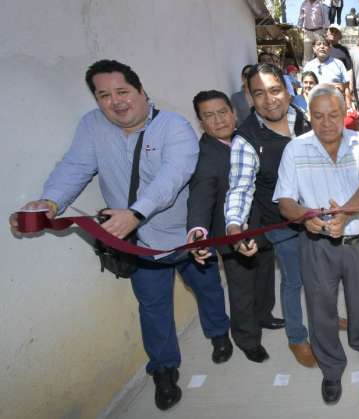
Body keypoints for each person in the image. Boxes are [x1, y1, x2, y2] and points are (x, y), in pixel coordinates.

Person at [9, 60, 231, 411]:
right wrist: (50, 201)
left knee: (206, 287)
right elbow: (75, 166)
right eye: (104, 95)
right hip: (137, 244)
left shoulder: (174, 127)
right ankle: (164, 370)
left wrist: (136, 212)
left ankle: (219, 333)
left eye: (123, 92)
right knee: (153, 306)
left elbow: (173, 177)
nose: (115, 101)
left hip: (185, 235)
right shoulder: (92, 127)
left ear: (142, 92)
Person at [274, 84, 359, 404]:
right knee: (321, 308)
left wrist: (343, 214)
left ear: (345, 113)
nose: (326, 123)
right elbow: (284, 201)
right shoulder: (295, 149)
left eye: (333, 115)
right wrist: (302, 215)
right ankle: (331, 367)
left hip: (358, 239)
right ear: (309, 116)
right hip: (316, 244)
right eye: (318, 116)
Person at [225, 64, 317, 368]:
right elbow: (239, 188)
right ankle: (297, 337)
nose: (269, 100)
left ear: (288, 92)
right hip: (281, 225)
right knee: (294, 281)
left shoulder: (303, 119)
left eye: (275, 90)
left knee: (321, 275)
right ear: (250, 98)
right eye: (259, 93)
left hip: (317, 217)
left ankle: (325, 319)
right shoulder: (246, 138)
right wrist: (235, 226)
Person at [187, 90, 275, 364]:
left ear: (233, 112)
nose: (218, 120)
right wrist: (198, 231)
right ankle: (248, 339)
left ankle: (265, 315)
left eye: (222, 112)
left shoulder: (249, 139)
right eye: (209, 116)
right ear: (201, 122)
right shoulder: (204, 156)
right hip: (231, 233)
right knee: (242, 290)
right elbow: (200, 197)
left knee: (264, 277)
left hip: (263, 226)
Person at [303, 38, 353, 109]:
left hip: (335, 106)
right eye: (318, 44)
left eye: (325, 44)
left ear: (329, 48)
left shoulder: (339, 64)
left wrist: (349, 107)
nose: (322, 47)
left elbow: (346, 88)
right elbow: (304, 89)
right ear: (314, 48)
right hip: (315, 106)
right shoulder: (308, 66)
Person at [298, 0, 330, 64]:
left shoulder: (320, 4)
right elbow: (301, 16)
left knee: (321, 54)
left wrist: (326, 30)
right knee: (307, 55)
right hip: (308, 32)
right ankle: (306, 72)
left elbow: (325, 17)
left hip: (319, 32)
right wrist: (299, 25)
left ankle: (322, 71)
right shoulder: (304, 3)